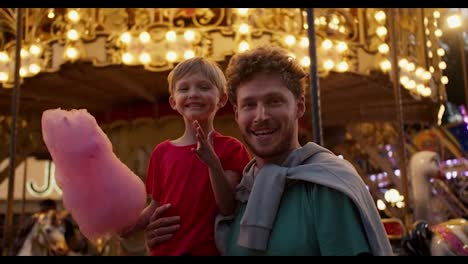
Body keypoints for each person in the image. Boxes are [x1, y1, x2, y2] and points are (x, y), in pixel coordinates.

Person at [145, 46, 393, 256]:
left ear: (299, 106)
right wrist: (162, 239)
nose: (261, 116)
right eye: (249, 105)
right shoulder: (243, 192)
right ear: (236, 114)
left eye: (274, 101)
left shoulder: (326, 189)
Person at [126, 57, 251, 256]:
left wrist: (213, 163)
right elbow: (156, 205)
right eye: (184, 89)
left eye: (203, 87)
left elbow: (228, 207)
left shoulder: (231, 148)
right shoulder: (162, 152)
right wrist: (129, 226)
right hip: (166, 250)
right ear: (173, 102)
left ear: (222, 99)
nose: (193, 94)